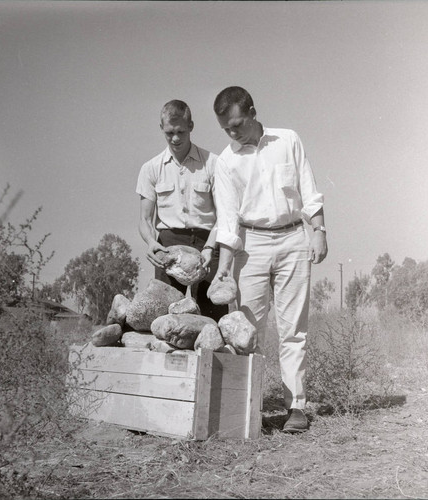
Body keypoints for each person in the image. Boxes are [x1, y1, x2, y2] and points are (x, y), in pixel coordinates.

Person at [211, 86, 328, 432]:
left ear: (252, 111)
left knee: (293, 330)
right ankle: (250, 409)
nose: (233, 133)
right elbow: (228, 220)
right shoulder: (226, 162)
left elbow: (308, 188)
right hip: (252, 246)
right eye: (226, 129)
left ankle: (296, 408)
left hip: (294, 238)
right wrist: (223, 269)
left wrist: (319, 230)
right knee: (248, 332)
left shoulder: (288, 140)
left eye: (237, 124)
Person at [136, 100, 228, 322]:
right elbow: (144, 219)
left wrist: (209, 247)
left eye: (181, 132)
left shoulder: (213, 163)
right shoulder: (151, 169)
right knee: (163, 317)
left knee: (212, 317)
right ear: (161, 128)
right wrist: (151, 242)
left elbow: (225, 215)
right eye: (169, 132)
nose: (175, 138)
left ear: (191, 126)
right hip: (169, 245)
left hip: (207, 245)